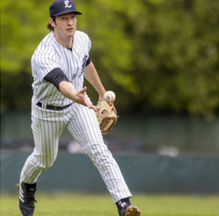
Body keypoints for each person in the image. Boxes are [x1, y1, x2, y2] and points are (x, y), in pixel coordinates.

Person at [18, 0, 141, 216]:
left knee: (99, 150)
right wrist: (75, 94)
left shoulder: (83, 39)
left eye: (72, 17)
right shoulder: (43, 54)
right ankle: (26, 187)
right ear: (52, 22)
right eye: (63, 18)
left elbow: (86, 64)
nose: (69, 22)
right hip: (47, 110)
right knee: (44, 159)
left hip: (78, 105)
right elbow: (61, 82)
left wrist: (102, 93)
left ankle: (124, 205)